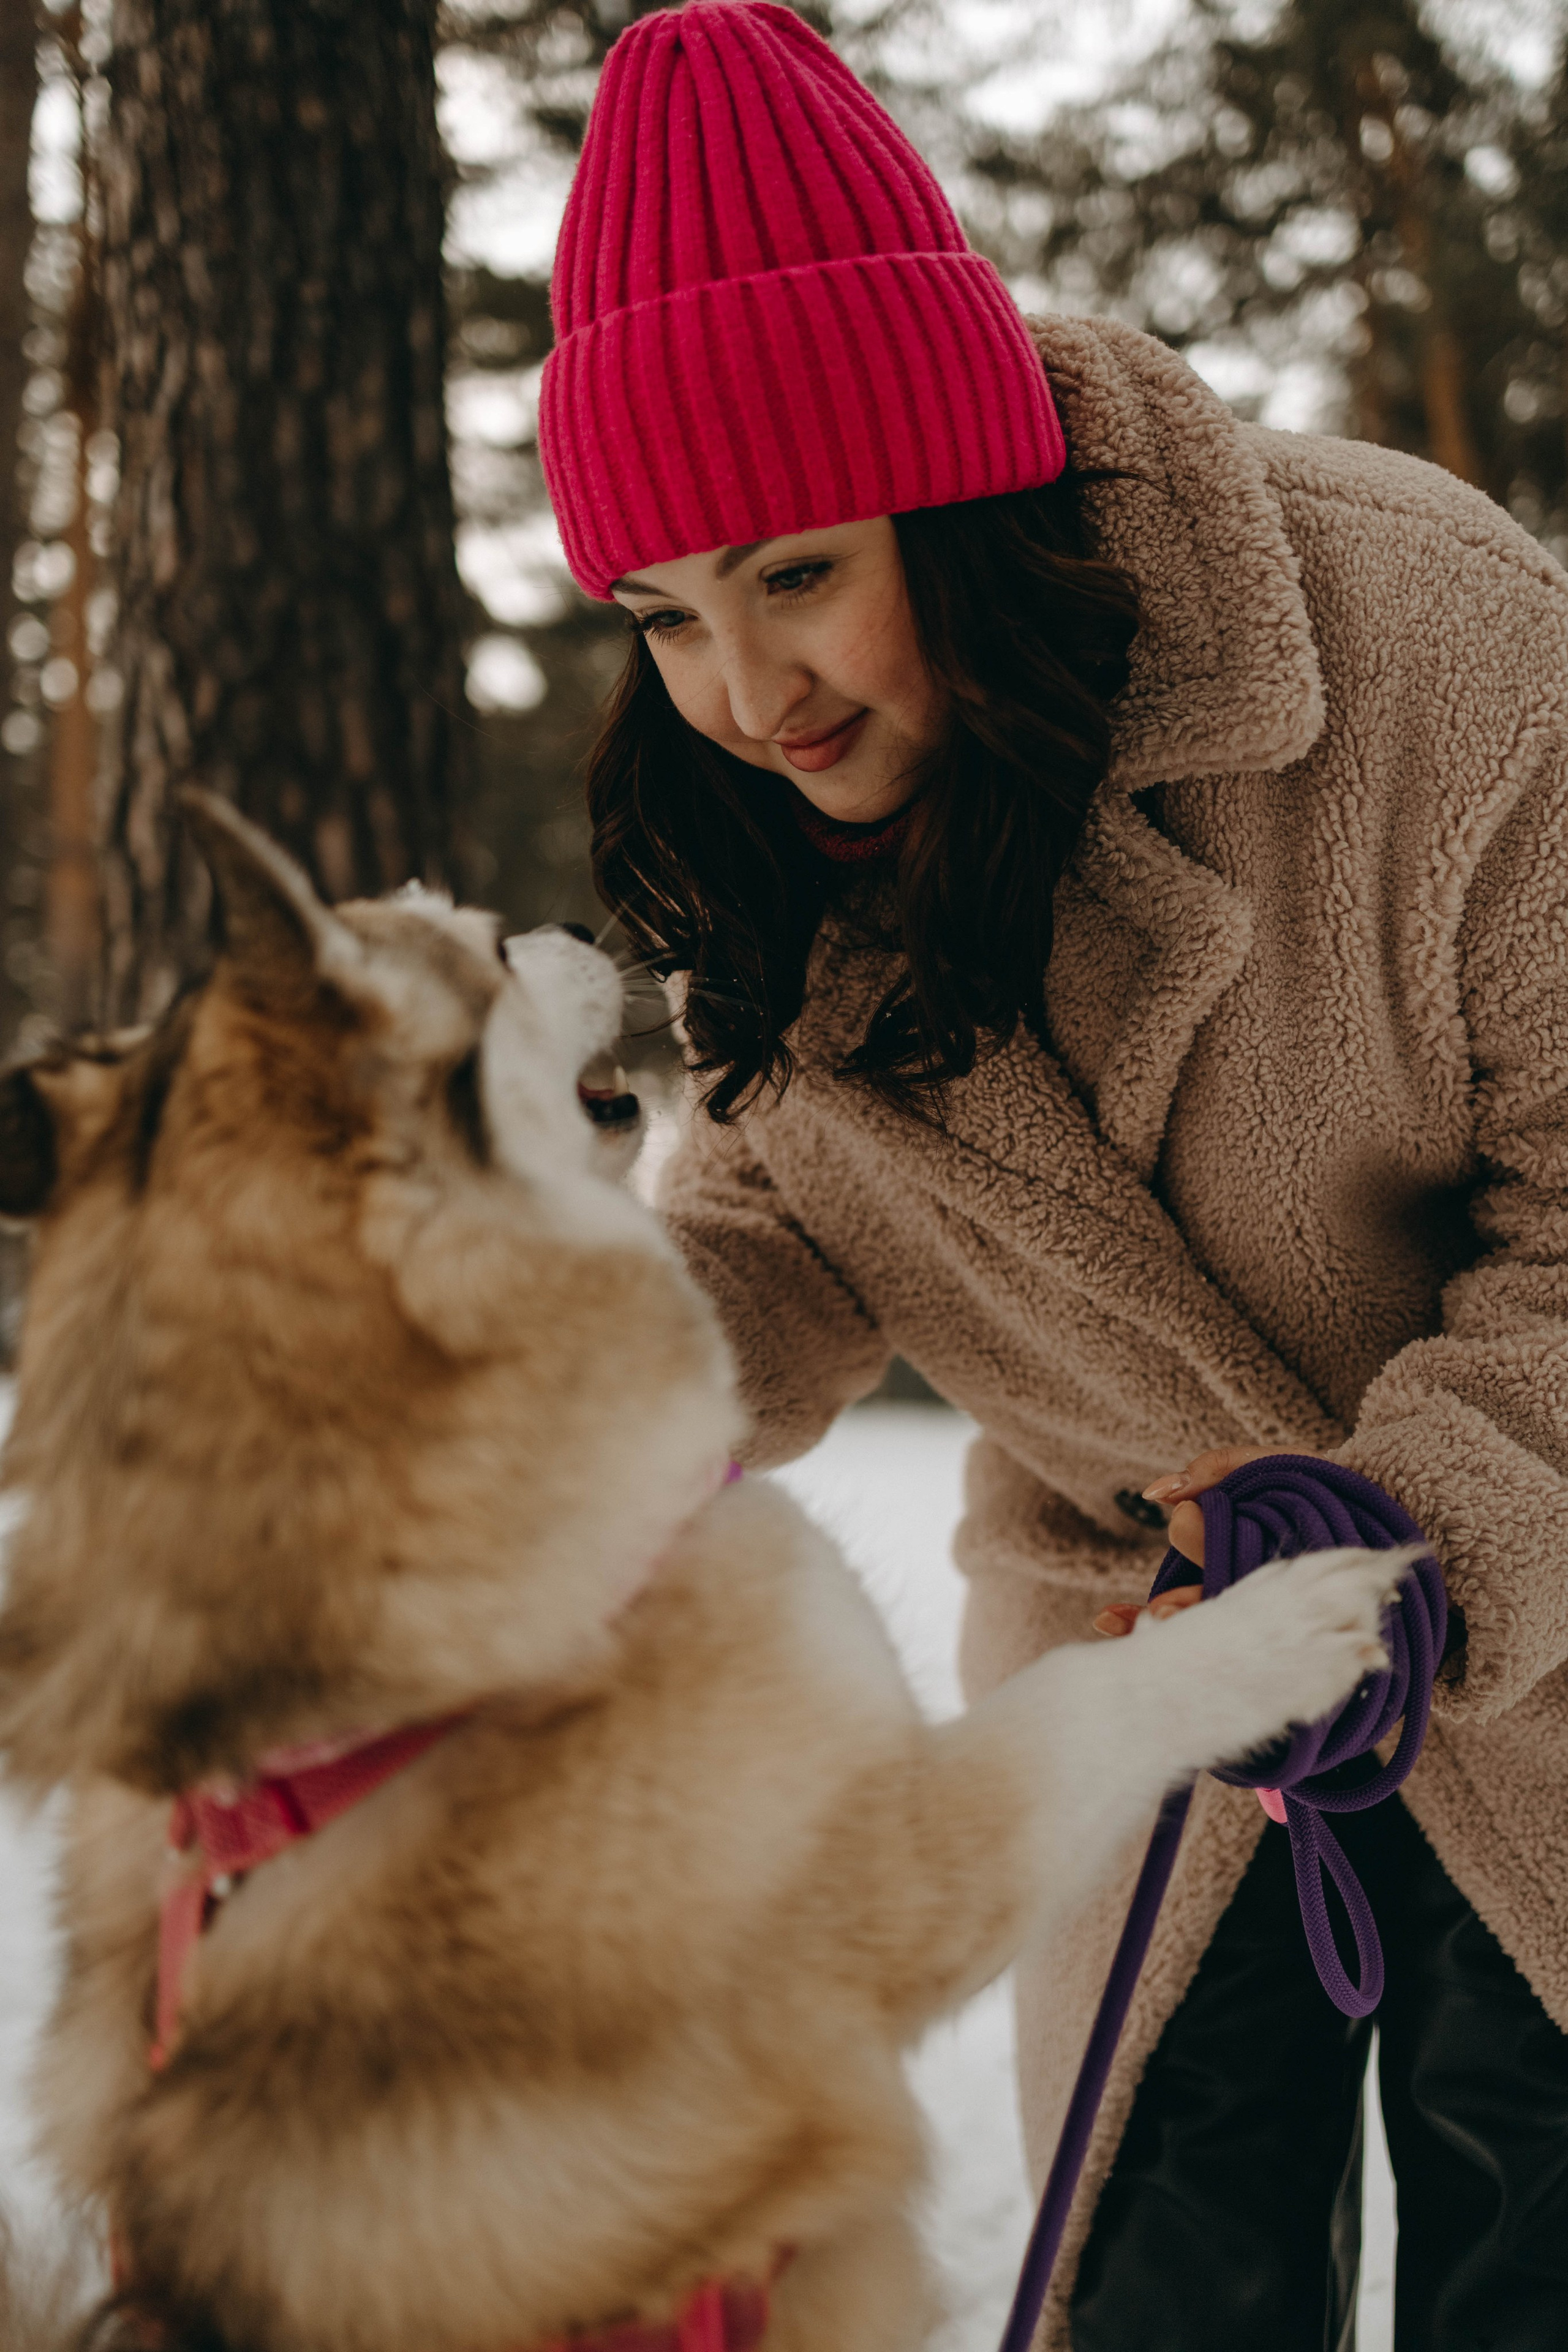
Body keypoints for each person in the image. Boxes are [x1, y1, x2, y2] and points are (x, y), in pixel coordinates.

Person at [535, 6, 1568, 2346]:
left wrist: (1410, 1539)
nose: (744, 690)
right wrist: (563, 1434)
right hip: (1144, 1651)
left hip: (1541, 1602)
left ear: (960, 495)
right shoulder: (764, 823)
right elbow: (798, 1216)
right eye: (662, 612)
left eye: (795, 569)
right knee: (1164, 2296)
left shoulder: (1431, 646)